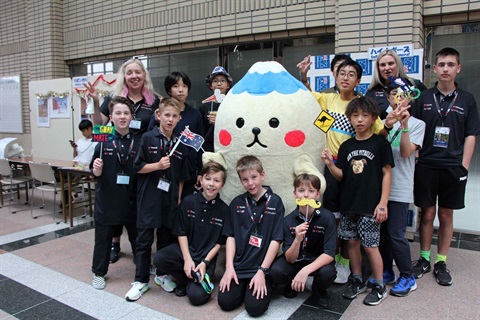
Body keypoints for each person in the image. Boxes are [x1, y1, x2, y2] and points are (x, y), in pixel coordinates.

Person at [298, 57, 388, 284]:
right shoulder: (328, 99)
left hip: (355, 168)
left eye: (351, 74)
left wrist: (392, 122)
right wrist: (304, 76)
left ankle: (347, 262)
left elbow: (381, 134)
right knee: (334, 216)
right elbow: (308, 98)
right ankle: (334, 255)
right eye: (341, 73)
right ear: (335, 77)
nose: (345, 78)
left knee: (351, 214)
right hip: (330, 165)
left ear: (358, 80)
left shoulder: (362, 105)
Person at [410, 47, 480, 286]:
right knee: (427, 213)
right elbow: (414, 129)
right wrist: (417, 157)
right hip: (427, 165)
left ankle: (441, 261)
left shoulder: (467, 99)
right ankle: (424, 258)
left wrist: (464, 165)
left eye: (451, 64)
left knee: (445, 214)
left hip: (453, 167)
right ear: (435, 68)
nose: (446, 69)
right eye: (441, 64)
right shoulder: (424, 98)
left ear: (458, 68)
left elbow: (471, 134)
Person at [84, 58, 161, 264]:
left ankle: (141, 256)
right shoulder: (114, 98)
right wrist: (94, 103)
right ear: (124, 76)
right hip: (116, 153)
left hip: (138, 158)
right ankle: (114, 244)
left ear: (144, 75)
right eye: (129, 73)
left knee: (135, 207)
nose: (134, 76)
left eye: (138, 72)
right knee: (114, 200)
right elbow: (101, 128)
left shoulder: (154, 100)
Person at [321, 97, 394, 306]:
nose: (359, 120)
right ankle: (357, 279)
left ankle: (379, 284)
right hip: (348, 205)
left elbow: (387, 174)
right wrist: (329, 163)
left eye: (364, 115)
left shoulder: (380, 143)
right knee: (351, 243)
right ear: (350, 119)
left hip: (371, 206)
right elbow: (341, 175)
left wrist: (383, 203)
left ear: (373, 118)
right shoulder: (346, 146)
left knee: (371, 246)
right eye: (355, 115)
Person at [125, 97, 189, 302]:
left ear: (179, 119)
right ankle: (141, 280)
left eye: (174, 116)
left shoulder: (180, 142)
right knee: (144, 240)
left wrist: (178, 197)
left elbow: (181, 176)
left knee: (165, 238)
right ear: (158, 115)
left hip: (169, 199)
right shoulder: (147, 138)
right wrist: (157, 166)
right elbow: (137, 167)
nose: (170, 119)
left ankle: (161, 275)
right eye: (167, 115)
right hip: (149, 197)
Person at [370, 84, 425, 297]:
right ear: (388, 97)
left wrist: (404, 126)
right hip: (379, 187)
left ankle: (408, 276)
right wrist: (388, 124)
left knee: (396, 234)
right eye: (394, 94)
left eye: (403, 95)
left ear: (410, 98)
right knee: (382, 234)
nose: (398, 98)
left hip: (400, 186)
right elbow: (374, 148)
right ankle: (386, 271)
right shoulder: (382, 121)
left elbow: (404, 152)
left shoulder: (418, 124)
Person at [153, 161, 229, 305]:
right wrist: (187, 259)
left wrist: (205, 262)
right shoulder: (188, 202)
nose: (211, 184)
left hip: (206, 257)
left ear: (222, 184)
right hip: (185, 250)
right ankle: (185, 278)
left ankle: (192, 282)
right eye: (208, 178)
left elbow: (219, 242)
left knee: (197, 298)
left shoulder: (225, 210)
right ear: (201, 179)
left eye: (216, 180)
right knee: (159, 259)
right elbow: (181, 233)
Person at [217, 155, 284, 317]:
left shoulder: (275, 201)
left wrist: (262, 271)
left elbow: (276, 240)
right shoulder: (237, 203)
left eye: (254, 177)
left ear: (262, 175)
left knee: (255, 309)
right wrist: (229, 268)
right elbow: (230, 237)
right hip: (239, 266)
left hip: (262, 267)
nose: (250, 183)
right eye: (245, 179)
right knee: (225, 303)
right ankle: (244, 287)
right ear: (241, 181)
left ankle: (263, 284)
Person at [89, 96, 138, 290]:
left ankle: (142, 267)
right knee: (102, 239)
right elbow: (93, 173)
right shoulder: (103, 141)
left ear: (131, 116)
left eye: (126, 113)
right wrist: (97, 170)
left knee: (137, 238)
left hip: (131, 200)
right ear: (111, 116)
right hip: (107, 200)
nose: (122, 116)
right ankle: (99, 273)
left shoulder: (137, 140)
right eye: (118, 113)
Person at [270, 174, 337, 309]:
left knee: (327, 273)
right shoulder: (288, 220)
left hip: (317, 261)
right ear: (295, 194)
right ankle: (291, 282)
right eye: (301, 191)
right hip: (295, 261)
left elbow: (329, 254)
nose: (306, 195)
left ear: (318, 195)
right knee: (276, 272)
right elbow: (289, 258)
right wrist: (297, 239)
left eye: (311, 191)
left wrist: (305, 271)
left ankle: (319, 291)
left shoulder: (327, 217)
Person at [149, 72, 204, 198]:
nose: (181, 90)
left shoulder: (195, 114)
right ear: (169, 90)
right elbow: (150, 135)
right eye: (176, 86)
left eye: (184, 86)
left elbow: (200, 144)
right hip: (164, 168)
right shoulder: (161, 112)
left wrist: (201, 171)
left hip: (188, 171)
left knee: (184, 206)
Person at [366, 49, 427, 119]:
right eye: (383, 65)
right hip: (385, 129)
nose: (387, 68)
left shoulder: (414, 85)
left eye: (390, 63)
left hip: (413, 129)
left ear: (398, 65)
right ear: (378, 68)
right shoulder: (372, 91)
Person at [199, 66, 233, 152]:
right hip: (208, 149)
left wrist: (219, 123)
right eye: (215, 81)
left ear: (228, 85)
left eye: (222, 80)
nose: (219, 84)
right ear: (210, 85)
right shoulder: (203, 106)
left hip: (228, 147)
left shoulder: (232, 105)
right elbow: (200, 130)